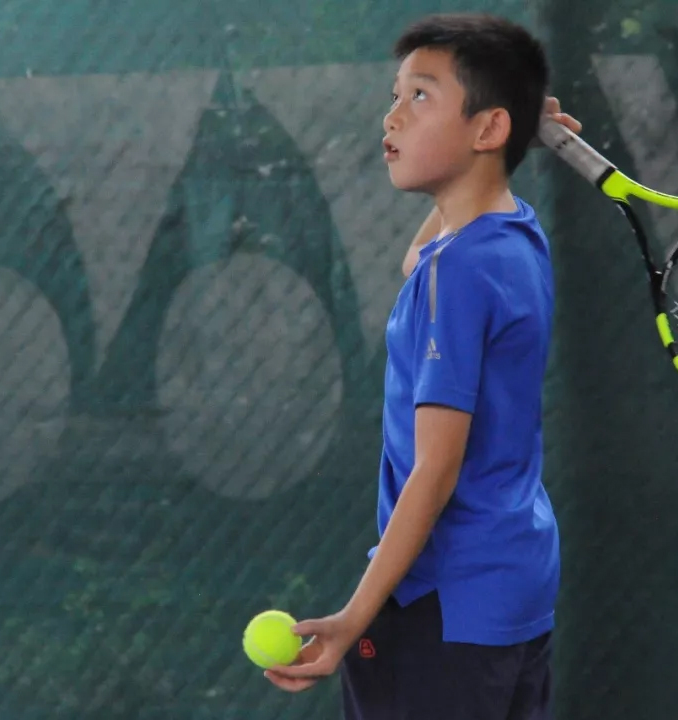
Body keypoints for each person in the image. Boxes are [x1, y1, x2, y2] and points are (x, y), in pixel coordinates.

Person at [265, 12, 583, 720]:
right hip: (513, 581)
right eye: (396, 95)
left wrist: (353, 617)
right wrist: (510, 144)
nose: (393, 117)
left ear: (487, 127)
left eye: (420, 96)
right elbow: (421, 257)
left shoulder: (459, 272)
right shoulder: (514, 236)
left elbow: (435, 470)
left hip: (443, 603)